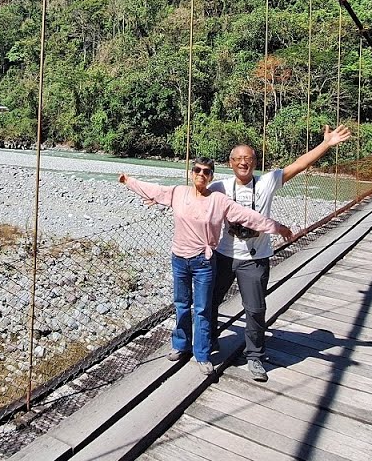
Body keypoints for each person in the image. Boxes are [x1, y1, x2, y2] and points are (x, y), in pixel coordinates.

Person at [119, 158, 293, 375]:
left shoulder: (219, 200)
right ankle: (181, 345)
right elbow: (153, 190)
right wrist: (128, 181)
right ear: (192, 173)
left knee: (202, 309)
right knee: (181, 303)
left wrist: (278, 227)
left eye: (207, 171)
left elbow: (250, 218)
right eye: (197, 170)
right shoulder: (178, 193)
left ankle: (202, 354)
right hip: (179, 259)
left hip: (204, 261)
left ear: (212, 177)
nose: (201, 174)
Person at [208, 124, 352, 381]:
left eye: (249, 159)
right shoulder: (220, 187)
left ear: (255, 162)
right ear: (230, 163)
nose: (244, 163)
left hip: (255, 258)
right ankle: (207, 342)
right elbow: (192, 194)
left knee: (254, 309)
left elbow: (299, 164)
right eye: (239, 159)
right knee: (209, 302)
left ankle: (254, 356)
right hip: (225, 255)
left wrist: (326, 145)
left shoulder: (266, 183)